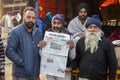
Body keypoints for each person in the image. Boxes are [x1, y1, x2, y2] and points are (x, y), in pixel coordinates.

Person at [66, 15, 117, 80]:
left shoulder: (107, 43)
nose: (92, 29)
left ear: (99, 29)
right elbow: (77, 60)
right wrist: (70, 67)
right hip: (83, 78)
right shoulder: (80, 42)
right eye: (90, 27)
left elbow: (112, 63)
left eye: (95, 27)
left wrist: (111, 78)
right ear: (87, 29)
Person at [5, 7, 42, 80]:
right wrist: (22, 63)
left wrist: (37, 73)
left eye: (33, 18)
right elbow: (9, 51)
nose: (31, 20)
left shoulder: (38, 34)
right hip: (21, 75)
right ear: (23, 17)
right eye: (28, 17)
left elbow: (39, 52)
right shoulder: (15, 32)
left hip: (34, 75)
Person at [39, 14, 75, 80]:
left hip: (63, 70)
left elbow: (73, 57)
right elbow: (42, 55)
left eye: (58, 23)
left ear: (63, 24)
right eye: (54, 23)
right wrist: (41, 48)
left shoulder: (69, 36)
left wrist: (72, 48)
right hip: (50, 69)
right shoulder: (47, 34)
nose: (56, 25)